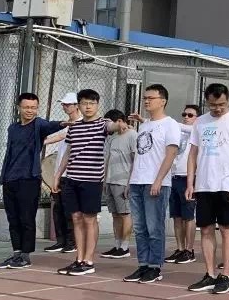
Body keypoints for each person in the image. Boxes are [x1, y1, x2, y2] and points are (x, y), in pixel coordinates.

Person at [185, 83, 229, 295]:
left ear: (228, 100)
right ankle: (210, 274)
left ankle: (226, 275)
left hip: (227, 183)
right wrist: (190, 183)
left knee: (226, 228)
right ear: (207, 102)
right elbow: (193, 154)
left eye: (222, 104)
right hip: (204, 184)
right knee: (206, 229)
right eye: (213, 105)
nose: (218, 108)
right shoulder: (200, 122)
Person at [0, 94, 68, 270]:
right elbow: (9, 153)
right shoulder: (13, 128)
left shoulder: (38, 125)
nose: (30, 110)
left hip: (29, 180)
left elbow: (50, 125)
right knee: (13, 219)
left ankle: (25, 256)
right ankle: (16, 253)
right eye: (27, 107)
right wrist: (4, 177)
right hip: (9, 180)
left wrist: (65, 123)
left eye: (34, 107)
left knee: (26, 218)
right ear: (19, 108)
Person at [121, 85, 181, 284]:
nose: (146, 101)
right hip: (138, 181)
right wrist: (130, 181)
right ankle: (143, 264)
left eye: (151, 98)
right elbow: (139, 155)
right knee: (139, 228)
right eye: (145, 98)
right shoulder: (145, 125)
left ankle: (155, 266)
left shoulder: (170, 124)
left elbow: (171, 154)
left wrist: (158, 180)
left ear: (163, 101)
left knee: (154, 227)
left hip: (155, 183)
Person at [52, 89, 112, 276]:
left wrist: (120, 125)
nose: (88, 107)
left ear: (97, 105)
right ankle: (79, 259)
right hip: (71, 179)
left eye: (92, 103)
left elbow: (112, 127)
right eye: (84, 103)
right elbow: (68, 152)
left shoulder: (102, 124)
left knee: (89, 219)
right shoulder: (74, 127)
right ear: (79, 105)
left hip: (92, 180)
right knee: (76, 218)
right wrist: (58, 175)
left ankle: (89, 260)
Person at [43, 92, 81, 253]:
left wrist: (44, 140)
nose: (64, 107)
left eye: (68, 104)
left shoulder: (80, 123)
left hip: (71, 174)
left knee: (69, 209)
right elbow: (60, 135)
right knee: (58, 208)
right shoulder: (68, 124)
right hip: (60, 173)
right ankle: (61, 241)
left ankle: (72, 242)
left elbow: (62, 135)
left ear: (76, 106)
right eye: (63, 104)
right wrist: (41, 141)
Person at [99, 110, 136, 259]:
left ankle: (125, 247)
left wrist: (129, 183)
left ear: (119, 121)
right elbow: (107, 159)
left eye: (110, 123)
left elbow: (135, 160)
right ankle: (117, 245)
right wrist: (105, 179)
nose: (108, 126)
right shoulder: (112, 138)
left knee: (125, 214)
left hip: (123, 181)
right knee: (115, 215)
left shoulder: (132, 135)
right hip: (110, 180)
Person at [165, 104, 199, 265]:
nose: (186, 117)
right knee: (176, 216)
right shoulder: (177, 131)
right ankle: (180, 248)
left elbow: (173, 125)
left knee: (188, 216)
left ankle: (189, 250)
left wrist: (146, 120)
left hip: (188, 177)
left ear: (197, 118)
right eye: (184, 114)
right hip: (174, 176)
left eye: (190, 115)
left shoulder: (197, 132)